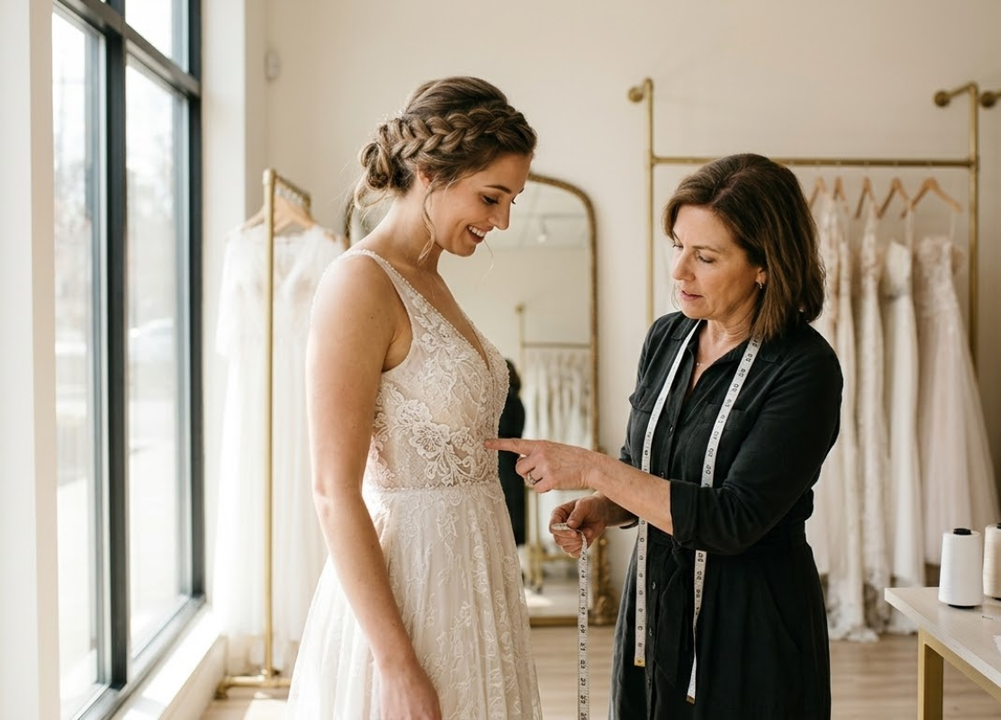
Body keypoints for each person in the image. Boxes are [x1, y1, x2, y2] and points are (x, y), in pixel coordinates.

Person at [488, 153, 842, 718]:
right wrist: (604, 508)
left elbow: (733, 519)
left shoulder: (804, 368)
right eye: (677, 245)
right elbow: (645, 468)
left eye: (705, 256)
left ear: (764, 265)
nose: (679, 271)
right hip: (655, 601)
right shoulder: (668, 338)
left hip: (750, 618)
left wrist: (593, 468)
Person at [288, 76, 542, 720]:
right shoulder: (359, 285)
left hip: (476, 575)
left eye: (511, 200)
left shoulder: (429, 278)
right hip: (411, 589)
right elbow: (332, 490)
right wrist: (395, 663)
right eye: (492, 197)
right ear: (430, 172)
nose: (502, 221)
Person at [498, 359, 527, 546]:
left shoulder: (504, 402)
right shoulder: (518, 402)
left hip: (501, 465)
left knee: (504, 520)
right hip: (514, 465)